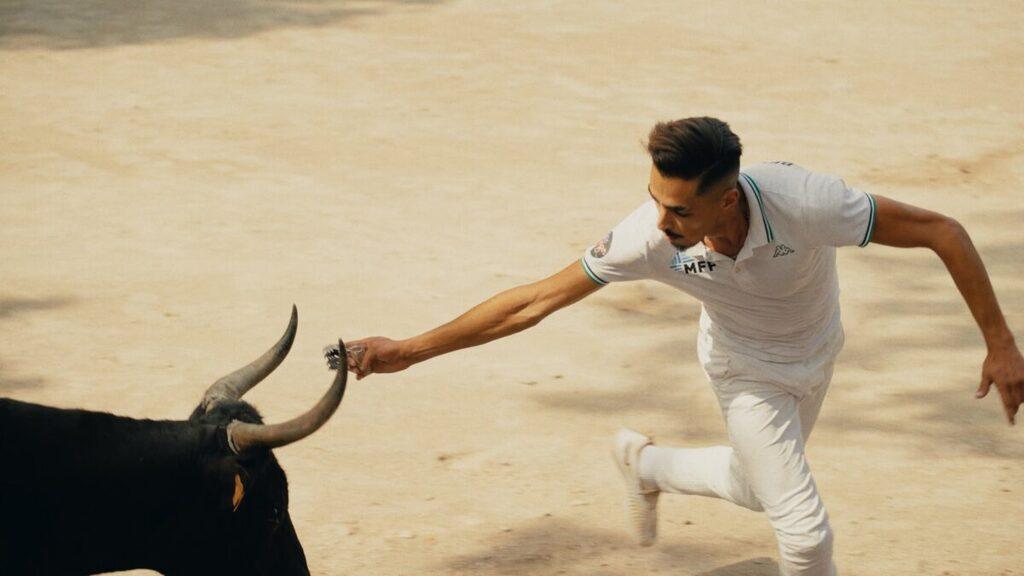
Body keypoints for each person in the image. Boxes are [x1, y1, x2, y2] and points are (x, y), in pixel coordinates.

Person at [327, 117, 1024, 575]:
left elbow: (943, 231)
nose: (662, 222)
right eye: (655, 200)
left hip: (820, 350)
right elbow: (532, 303)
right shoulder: (646, 236)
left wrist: (1000, 345)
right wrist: (410, 350)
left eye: (680, 209)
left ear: (728, 200)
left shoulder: (804, 200)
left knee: (761, 488)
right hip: (745, 370)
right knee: (805, 534)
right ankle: (654, 465)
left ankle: (646, 463)